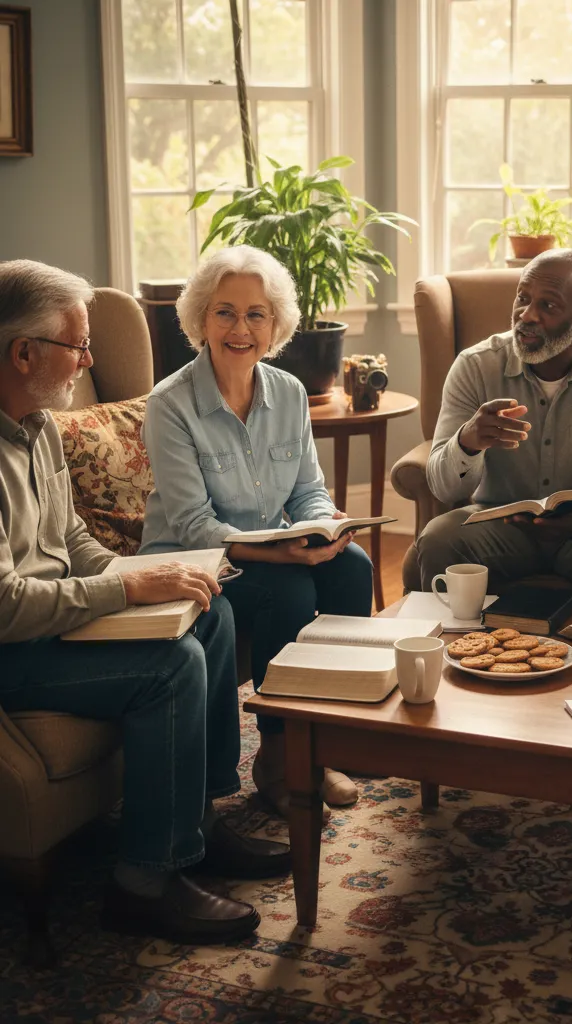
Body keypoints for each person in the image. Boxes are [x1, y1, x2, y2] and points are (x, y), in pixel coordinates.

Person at [0, 260, 290, 944]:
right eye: (78, 346)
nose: (89, 360)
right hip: (13, 647)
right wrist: (128, 588)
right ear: (23, 352)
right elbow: (6, 607)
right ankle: (143, 883)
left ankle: (200, 824)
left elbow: (67, 535)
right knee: (172, 667)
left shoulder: (37, 424)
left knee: (208, 610)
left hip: (54, 621)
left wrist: (146, 581)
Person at [140, 245, 374, 820]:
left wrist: (325, 522)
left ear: (275, 326)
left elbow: (306, 489)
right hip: (196, 563)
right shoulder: (170, 405)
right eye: (224, 312)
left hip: (270, 551)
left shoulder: (289, 393)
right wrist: (286, 556)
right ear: (200, 319)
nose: (240, 328)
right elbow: (195, 527)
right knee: (286, 589)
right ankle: (277, 757)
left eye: (255, 314)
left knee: (355, 566)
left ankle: (328, 741)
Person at [415, 249, 572, 611]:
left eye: (548, 306)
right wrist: (467, 442)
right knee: (440, 537)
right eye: (523, 298)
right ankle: (451, 659)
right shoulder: (474, 366)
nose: (526, 315)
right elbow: (442, 486)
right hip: (500, 526)